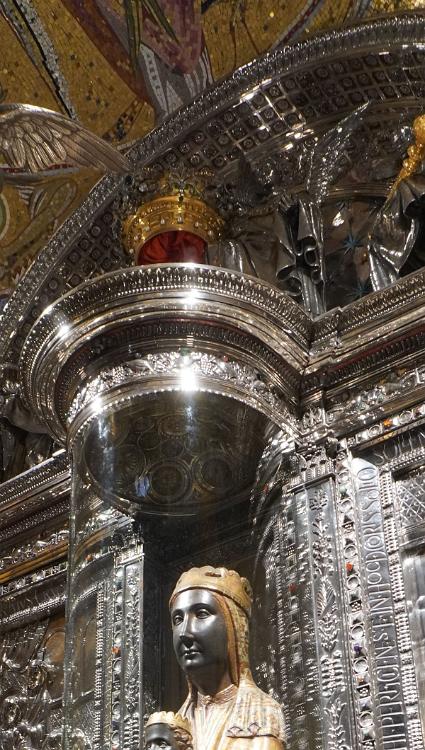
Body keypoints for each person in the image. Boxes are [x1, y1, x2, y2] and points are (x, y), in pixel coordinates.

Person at [169, 566, 286, 750]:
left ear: (234, 626)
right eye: (178, 619)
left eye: (201, 614)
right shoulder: (173, 726)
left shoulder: (263, 715)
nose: (184, 633)